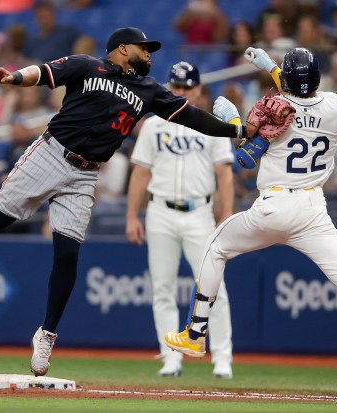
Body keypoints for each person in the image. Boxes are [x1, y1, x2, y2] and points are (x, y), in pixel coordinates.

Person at [0, 26, 250, 377]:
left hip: (86, 173)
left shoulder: (149, 90)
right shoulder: (85, 66)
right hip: (51, 153)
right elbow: (43, 73)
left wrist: (238, 131)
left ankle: (46, 334)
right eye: (143, 48)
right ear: (122, 49)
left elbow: (194, 118)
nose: (149, 55)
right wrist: (13, 77)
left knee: (68, 253)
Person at [164, 47, 337, 359]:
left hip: (275, 206)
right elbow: (300, 96)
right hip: (313, 209)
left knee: (215, 248)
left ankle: (195, 333)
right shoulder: (335, 106)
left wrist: (233, 121)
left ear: (285, 81)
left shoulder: (276, 110)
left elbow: (244, 157)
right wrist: (272, 66)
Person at [126, 62, 235, 378]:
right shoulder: (152, 124)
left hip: (200, 213)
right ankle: (171, 356)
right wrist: (133, 214)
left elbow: (224, 173)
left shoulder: (211, 123)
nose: (181, 92)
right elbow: (141, 172)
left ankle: (222, 357)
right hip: (159, 210)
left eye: (187, 87)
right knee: (162, 287)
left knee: (214, 286)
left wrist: (225, 214)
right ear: (168, 87)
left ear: (198, 89)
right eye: (176, 86)